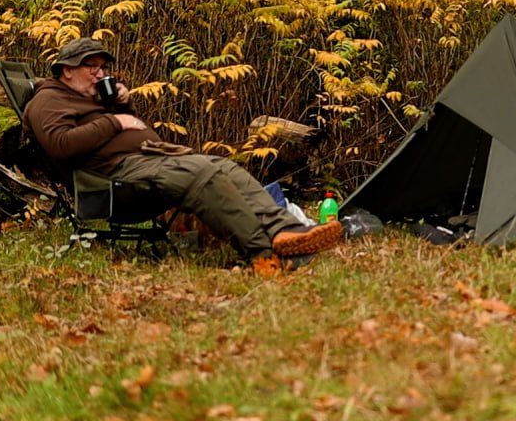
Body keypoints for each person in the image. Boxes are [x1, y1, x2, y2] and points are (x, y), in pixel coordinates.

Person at [24, 37, 341, 270]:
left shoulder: (87, 97)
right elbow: (61, 144)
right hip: (112, 180)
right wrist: (115, 120)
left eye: (103, 68)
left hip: (147, 160)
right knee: (200, 174)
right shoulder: (48, 100)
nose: (100, 74)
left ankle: (285, 230)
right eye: (91, 67)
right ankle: (263, 254)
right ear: (66, 70)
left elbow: (120, 129)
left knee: (222, 166)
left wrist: (120, 105)